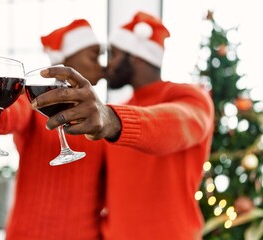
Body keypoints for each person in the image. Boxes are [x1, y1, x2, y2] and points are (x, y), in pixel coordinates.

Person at [31, 11, 215, 239]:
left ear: (136, 57)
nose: (107, 65)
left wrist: (113, 119)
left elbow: (176, 123)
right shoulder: (122, 107)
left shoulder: (189, 96)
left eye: (114, 54)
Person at [0, 19, 106, 239]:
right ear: (64, 63)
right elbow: (10, 116)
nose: (101, 65)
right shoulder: (34, 105)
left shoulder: (103, 118)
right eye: (94, 56)